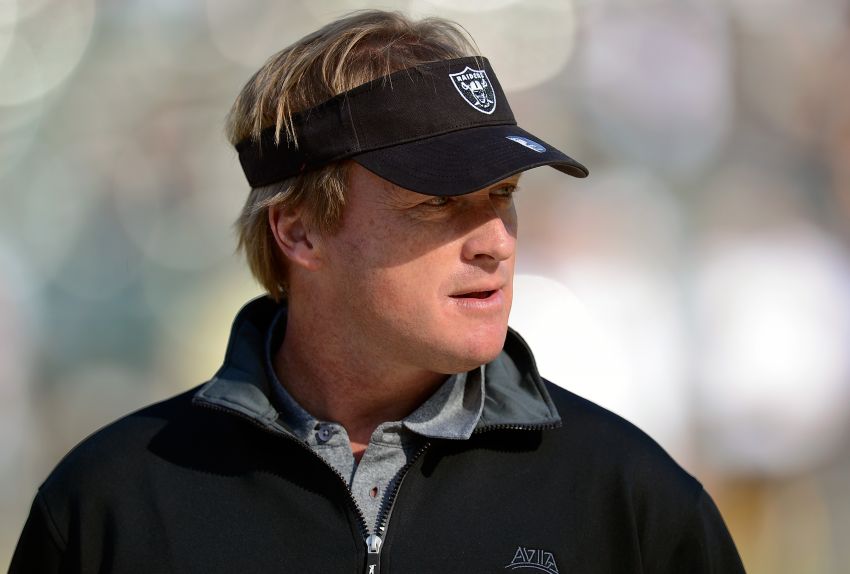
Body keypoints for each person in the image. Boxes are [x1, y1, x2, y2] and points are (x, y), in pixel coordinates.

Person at [9, 10, 745, 574]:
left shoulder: (628, 500)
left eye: (503, 194)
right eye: (439, 203)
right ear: (298, 231)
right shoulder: (112, 507)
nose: (495, 240)